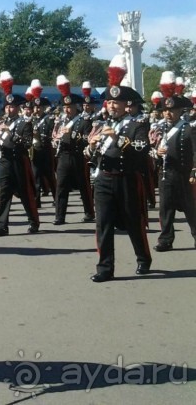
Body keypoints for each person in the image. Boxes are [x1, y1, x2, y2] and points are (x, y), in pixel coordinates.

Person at [86, 54, 152, 282]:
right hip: (104, 178)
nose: (113, 106)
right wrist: (91, 146)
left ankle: (143, 259)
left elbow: (142, 149)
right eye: (110, 102)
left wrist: (118, 139)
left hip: (126, 179)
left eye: (117, 102)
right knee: (102, 224)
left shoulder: (137, 125)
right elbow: (92, 155)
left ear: (126, 105)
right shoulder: (101, 124)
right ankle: (105, 268)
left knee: (134, 222)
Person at [0, 71, 40, 236]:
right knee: (3, 193)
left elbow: (26, 144)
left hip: (19, 161)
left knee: (25, 193)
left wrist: (10, 133)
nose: (9, 109)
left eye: (12, 106)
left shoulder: (24, 123)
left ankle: (34, 221)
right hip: (4, 161)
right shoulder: (1, 122)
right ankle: (1, 226)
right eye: (7, 106)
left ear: (18, 108)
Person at [152, 72, 196, 252]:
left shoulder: (189, 128)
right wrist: (156, 152)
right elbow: (150, 149)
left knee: (191, 208)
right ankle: (166, 239)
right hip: (166, 173)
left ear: (180, 111)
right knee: (165, 208)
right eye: (165, 110)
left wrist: (194, 171)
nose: (168, 113)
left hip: (184, 173)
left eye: (172, 110)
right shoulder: (160, 128)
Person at [51, 76, 94, 224]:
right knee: (61, 186)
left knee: (84, 186)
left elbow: (87, 139)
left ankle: (89, 212)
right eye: (65, 107)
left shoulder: (84, 121)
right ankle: (60, 216)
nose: (67, 110)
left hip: (78, 156)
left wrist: (72, 135)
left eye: (69, 107)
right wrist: (56, 140)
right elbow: (56, 136)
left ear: (76, 107)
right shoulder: (61, 121)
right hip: (64, 155)